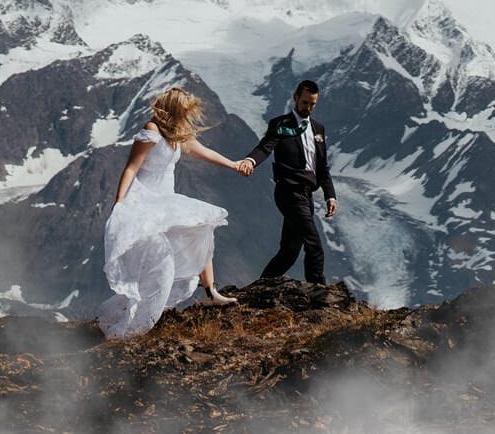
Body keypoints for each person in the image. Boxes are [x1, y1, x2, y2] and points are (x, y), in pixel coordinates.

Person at [96, 86, 250, 338]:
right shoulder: (151, 131)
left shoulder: (178, 134)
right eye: (184, 111)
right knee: (160, 258)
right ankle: (138, 317)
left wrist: (234, 165)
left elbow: (205, 153)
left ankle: (210, 292)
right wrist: (119, 203)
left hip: (166, 201)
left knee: (200, 227)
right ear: (174, 110)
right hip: (145, 200)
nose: (188, 117)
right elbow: (131, 169)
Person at [241, 79, 337, 284]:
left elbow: (322, 167)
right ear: (295, 98)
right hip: (289, 192)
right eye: (305, 103)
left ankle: (261, 287)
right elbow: (265, 147)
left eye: (312, 104)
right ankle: (318, 291)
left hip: (307, 194)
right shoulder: (280, 124)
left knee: (289, 251)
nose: (308, 108)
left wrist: (330, 195)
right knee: (314, 245)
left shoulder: (318, 129)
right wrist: (250, 160)